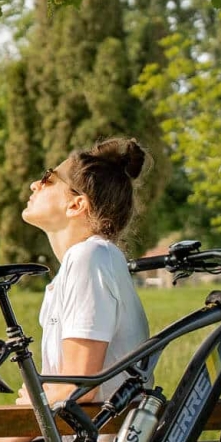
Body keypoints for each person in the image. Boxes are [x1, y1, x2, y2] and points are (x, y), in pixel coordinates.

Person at [18, 137, 153, 406]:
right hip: (77, 439)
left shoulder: (91, 258)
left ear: (76, 205)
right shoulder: (82, 263)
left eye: (48, 179)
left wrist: (32, 399)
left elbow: (79, 388)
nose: (35, 184)